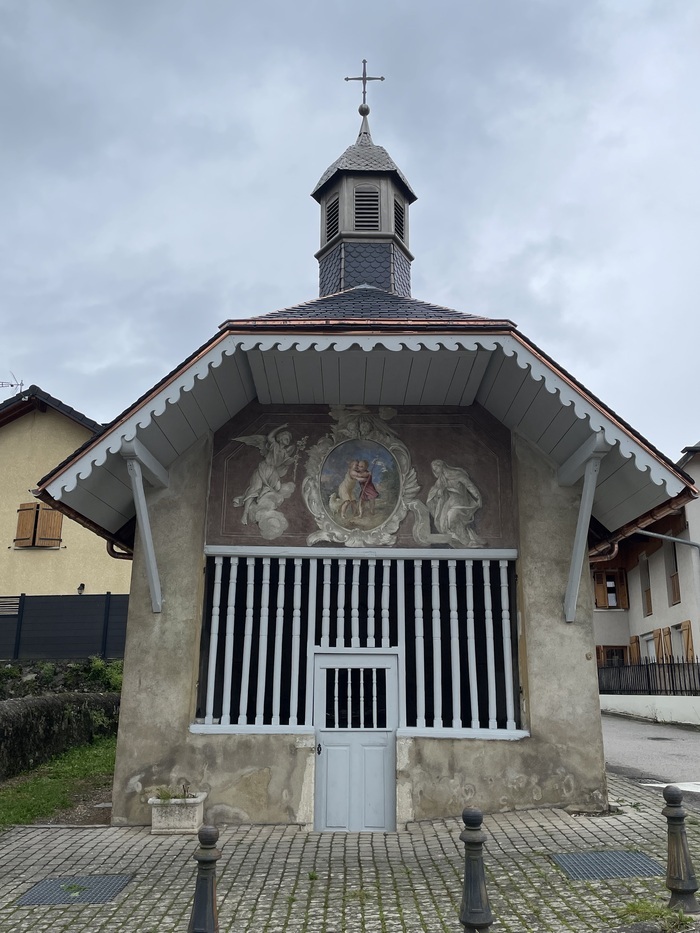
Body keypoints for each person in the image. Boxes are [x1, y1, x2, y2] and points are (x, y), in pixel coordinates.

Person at [426, 459, 483, 546]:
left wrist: (478, 497)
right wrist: (439, 493)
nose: (435, 471)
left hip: (460, 502)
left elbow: (469, 485)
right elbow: (434, 493)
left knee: (451, 518)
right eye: (433, 469)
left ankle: (466, 541)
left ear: (441, 466)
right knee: (444, 524)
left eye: (436, 468)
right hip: (450, 503)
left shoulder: (457, 474)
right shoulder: (441, 480)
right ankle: (466, 540)